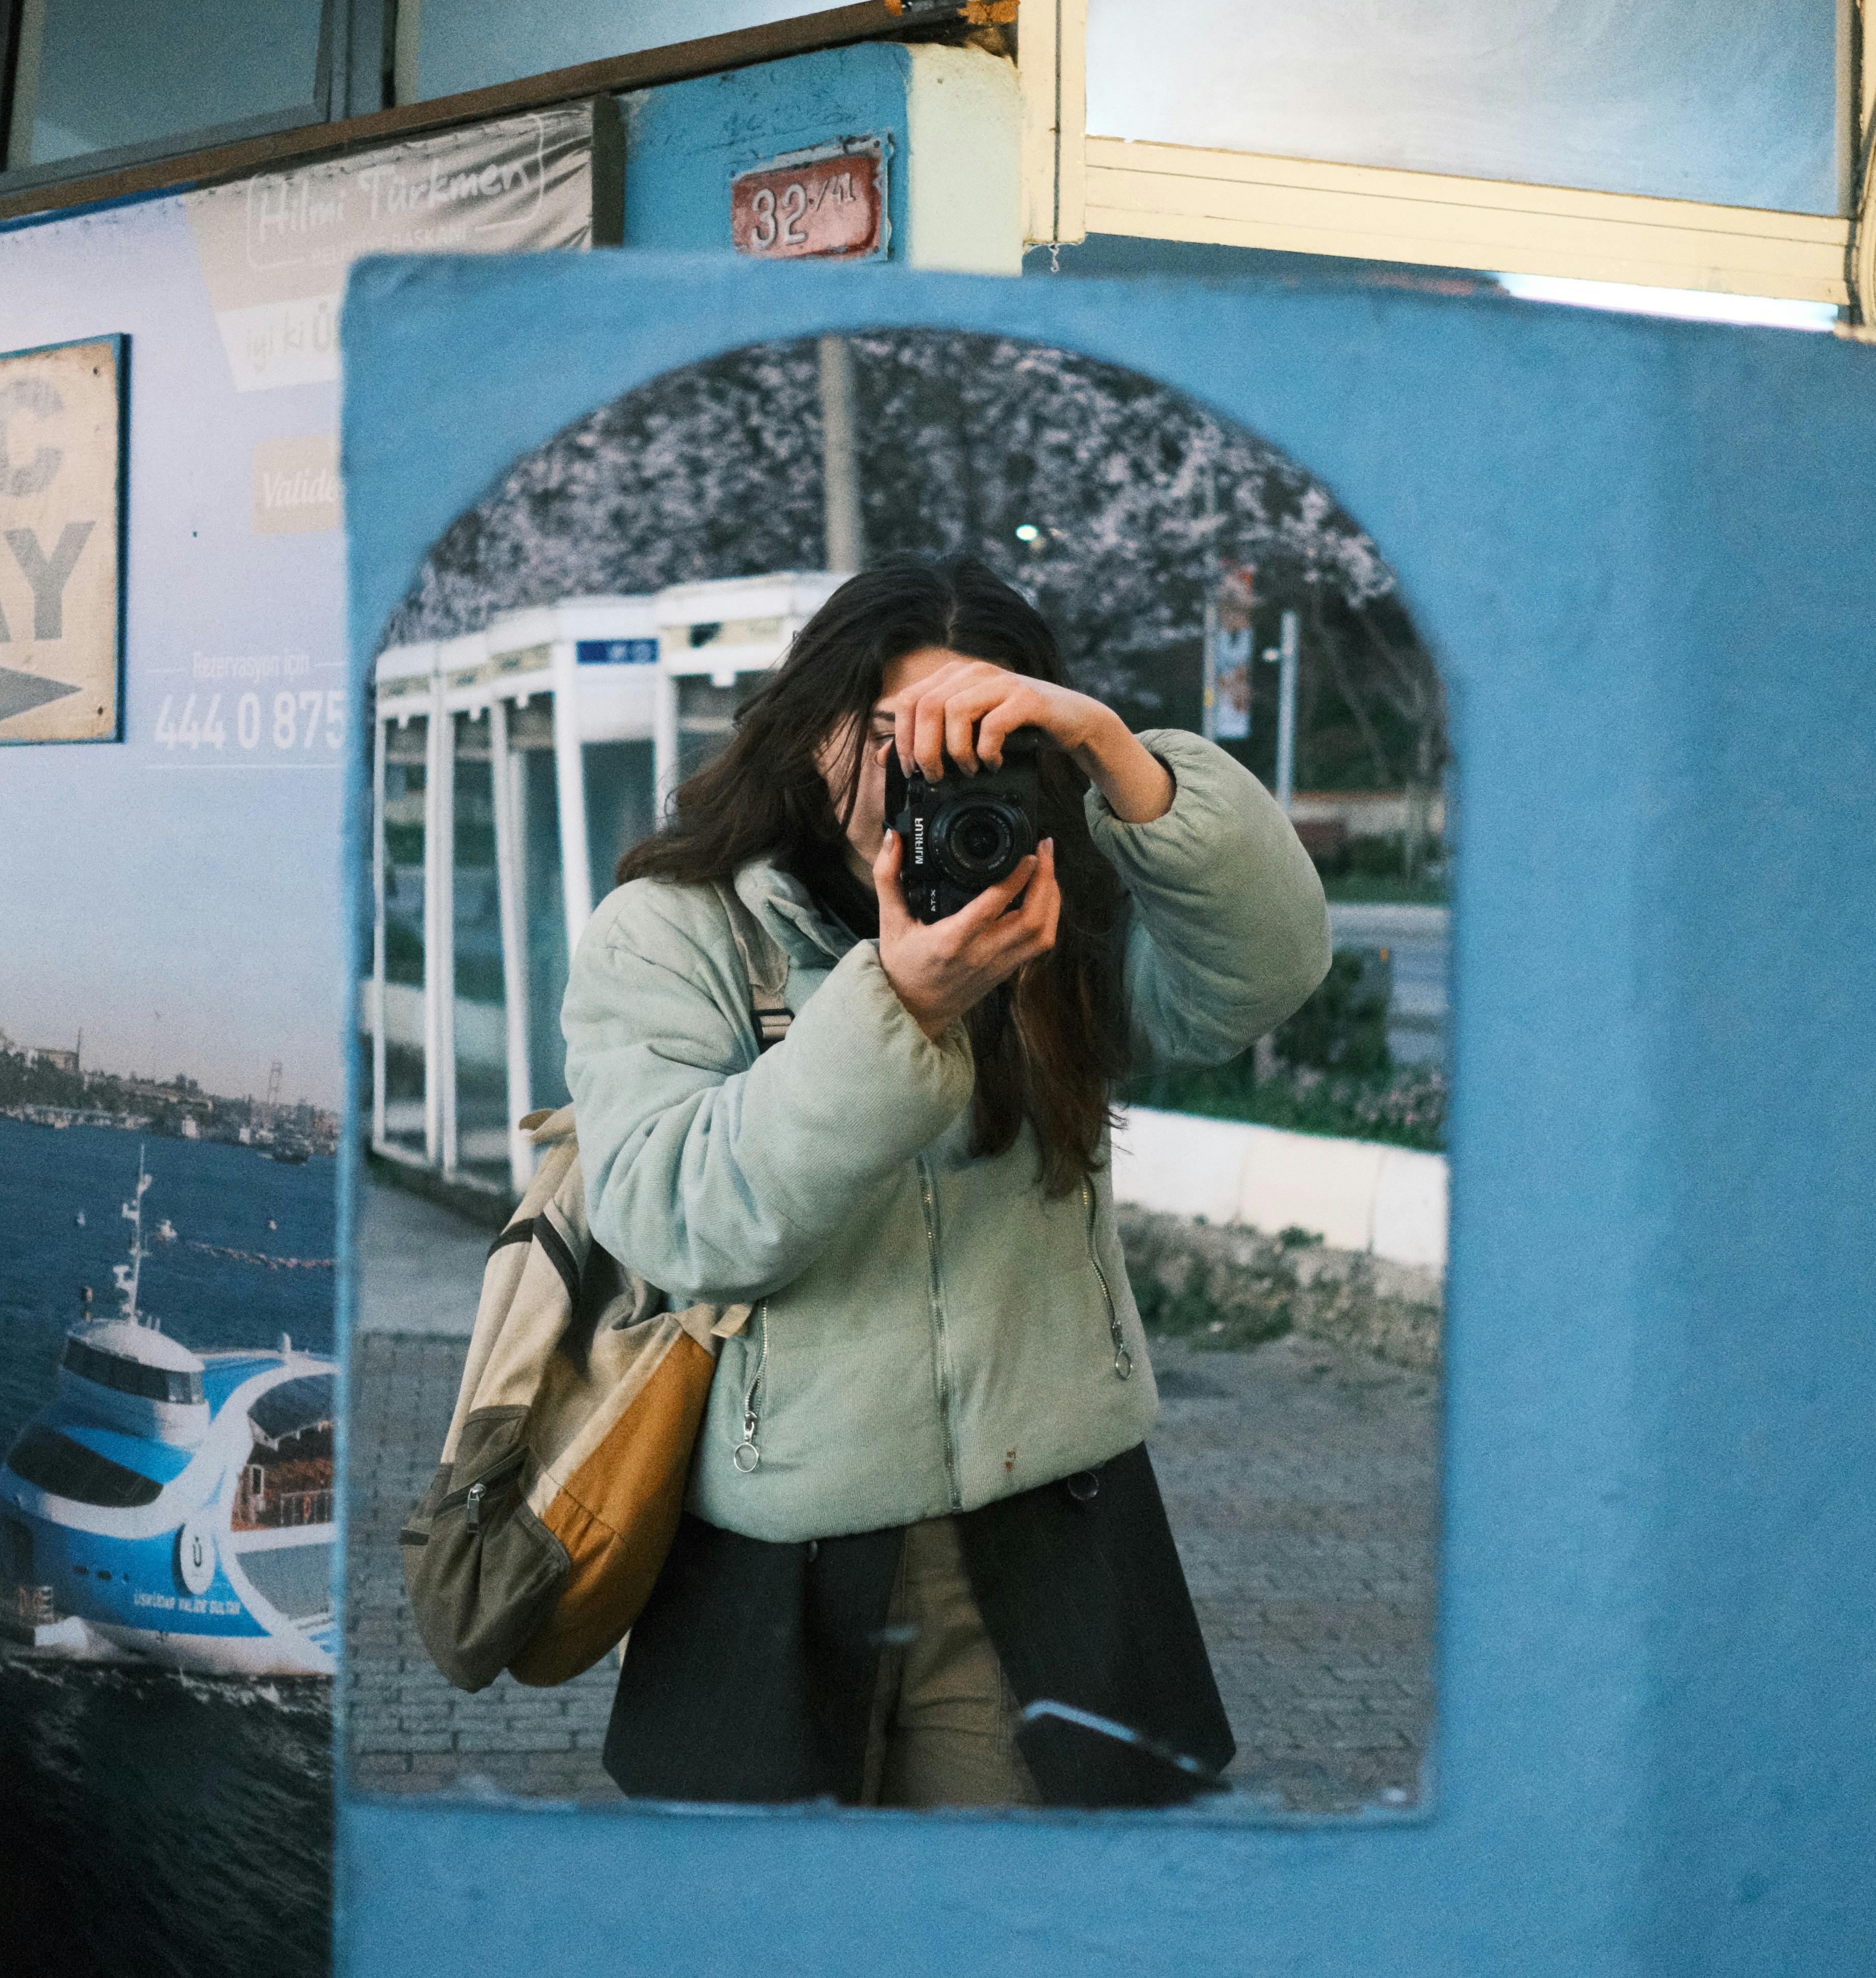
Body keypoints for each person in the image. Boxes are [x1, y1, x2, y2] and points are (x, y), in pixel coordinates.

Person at [561, 554, 1330, 1808]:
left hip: (1050, 1535)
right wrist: (900, 1004)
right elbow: (674, 1219)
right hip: (774, 1555)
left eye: (973, 737)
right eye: (882, 735)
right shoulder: (680, 927)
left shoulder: (1052, 908)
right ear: (806, 723)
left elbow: (1267, 974)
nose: (917, 776)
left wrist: (1115, 755)